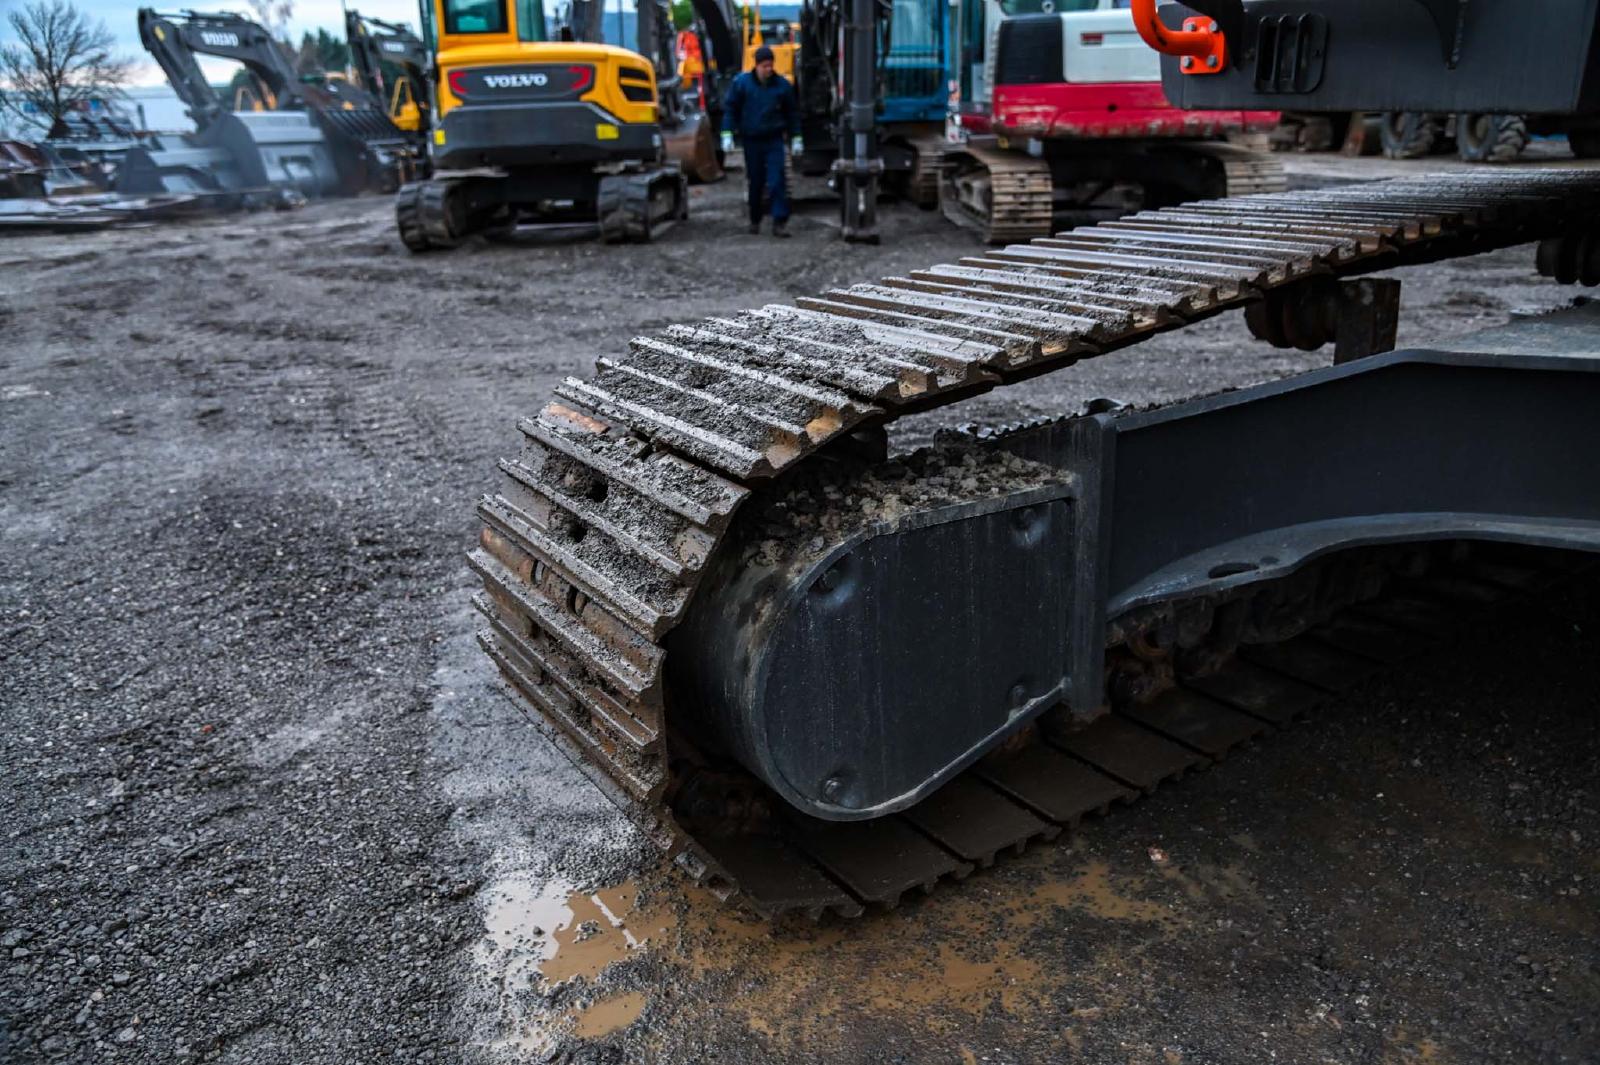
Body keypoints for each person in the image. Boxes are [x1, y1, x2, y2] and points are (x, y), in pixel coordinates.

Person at [720, 45, 802, 237]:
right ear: (756, 66)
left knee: (776, 180)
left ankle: (779, 222)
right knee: (756, 182)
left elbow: (792, 113)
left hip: (773, 139)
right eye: (765, 66)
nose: (768, 69)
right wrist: (726, 133)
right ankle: (755, 218)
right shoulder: (742, 84)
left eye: (770, 65)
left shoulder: (781, 86)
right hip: (752, 141)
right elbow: (731, 109)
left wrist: (796, 137)